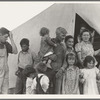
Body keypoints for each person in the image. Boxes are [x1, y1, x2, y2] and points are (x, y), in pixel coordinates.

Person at [49, 27, 67, 94]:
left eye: (65, 36)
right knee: (49, 92)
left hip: (59, 71)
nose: (64, 37)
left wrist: (62, 69)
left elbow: (66, 59)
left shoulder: (63, 45)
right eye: (62, 35)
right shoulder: (50, 42)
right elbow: (42, 55)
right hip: (49, 71)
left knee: (57, 93)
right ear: (57, 34)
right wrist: (50, 56)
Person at [0, 27, 18, 94]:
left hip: (5, 71)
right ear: (0, 35)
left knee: (5, 92)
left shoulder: (6, 44)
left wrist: (12, 39)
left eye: (8, 37)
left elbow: (15, 51)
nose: (7, 38)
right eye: (5, 37)